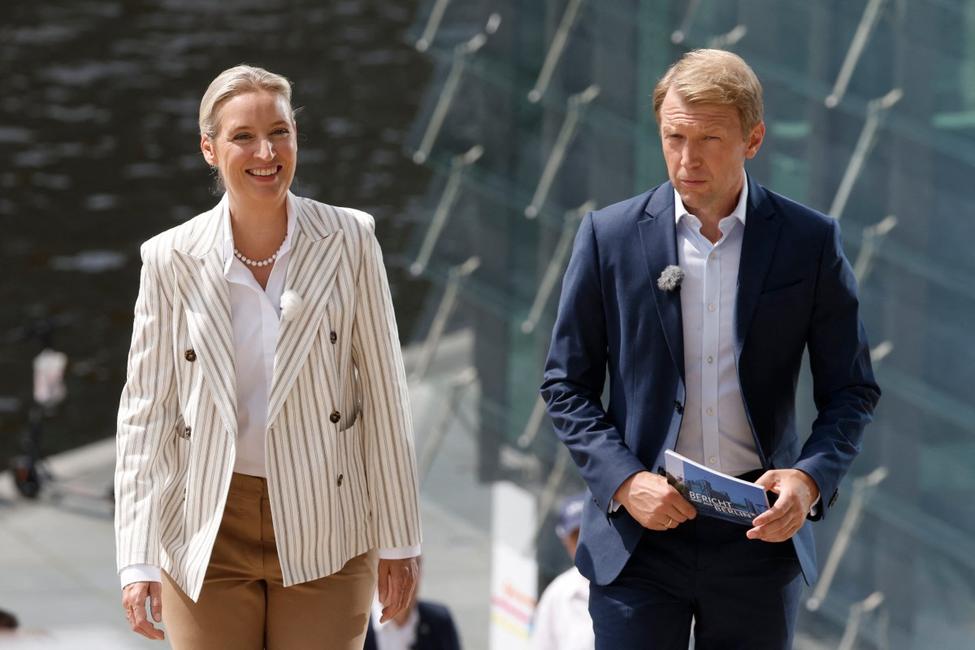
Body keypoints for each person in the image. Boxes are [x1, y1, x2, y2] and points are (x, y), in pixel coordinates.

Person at [540, 49, 880, 649]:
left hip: (758, 534)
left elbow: (851, 390)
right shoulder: (608, 236)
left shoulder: (809, 242)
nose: (686, 159)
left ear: (754, 138)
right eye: (673, 137)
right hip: (638, 535)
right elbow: (565, 384)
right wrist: (623, 482)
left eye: (708, 140)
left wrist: (809, 480)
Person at [114, 64, 422, 649]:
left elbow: (385, 393)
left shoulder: (351, 239)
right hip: (205, 525)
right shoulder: (168, 259)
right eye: (243, 136)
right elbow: (144, 416)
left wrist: (401, 539)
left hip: (326, 520)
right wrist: (136, 559)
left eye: (280, 132)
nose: (266, 151)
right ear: (209, 149)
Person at [531, 494, 594, 650]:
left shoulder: (627, 581)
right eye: (575, 536)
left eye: (586, 533)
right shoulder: (557, 594)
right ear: (564, 541)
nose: (582, 543)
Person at [364, 557, 461, 650]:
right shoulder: (358, 627)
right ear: (377, 571)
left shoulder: (439, 621)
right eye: (395, 569)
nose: (409, 577)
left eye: (415, 565)